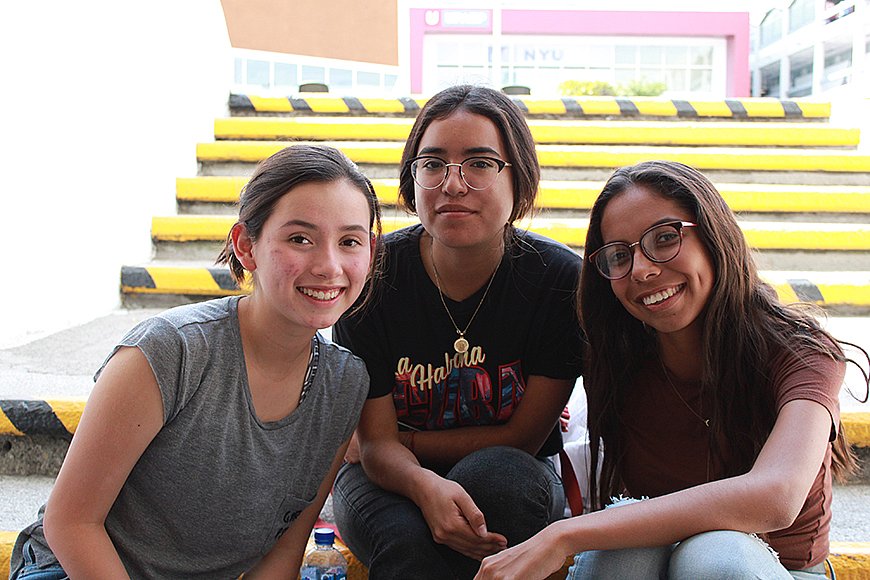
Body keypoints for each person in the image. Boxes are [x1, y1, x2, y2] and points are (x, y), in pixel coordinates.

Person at [474, 160, 870, 580]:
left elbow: (777, 495)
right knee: (624, 555)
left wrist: (564, 535)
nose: (642, 269)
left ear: (713, 235)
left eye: (665, 238)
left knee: (713, 554)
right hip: (655, 561)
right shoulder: (616, 355)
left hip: (768, 569)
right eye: (619, 255)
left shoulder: (800, 351)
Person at [9, 144, 384, 579]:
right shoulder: (170, 350)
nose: (329, 265)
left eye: (349, 241)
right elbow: (72, 523)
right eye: (300, 238)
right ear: (246, 246)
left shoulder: (344, 383)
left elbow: (283, 553)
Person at [330, 84, 585, 580]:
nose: (452, 184)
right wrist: (420, 481)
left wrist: (402, 440)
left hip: (513, 469)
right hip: (386, 480)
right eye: (432, 164)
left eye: (480, 163)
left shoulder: (557, 281)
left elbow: (521, 438)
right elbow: (375, 452)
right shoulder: (373, 276)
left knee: (496, 487)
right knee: (406, 536)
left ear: (520, 179)